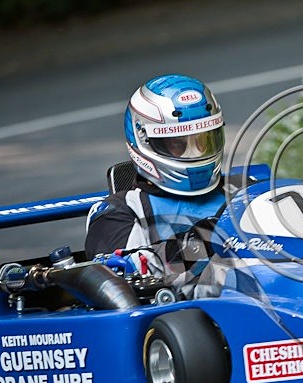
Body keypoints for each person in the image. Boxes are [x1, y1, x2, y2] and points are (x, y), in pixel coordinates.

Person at [85, 74, 226, 295]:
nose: (195, 153)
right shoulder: (120, 212)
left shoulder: (243, 190)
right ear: (145, 140)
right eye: (179, 145)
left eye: (203, 141)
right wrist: (211, 237)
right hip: (193, 316)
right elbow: (120, 287)